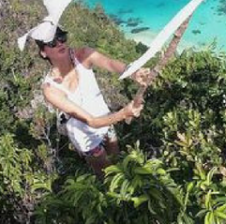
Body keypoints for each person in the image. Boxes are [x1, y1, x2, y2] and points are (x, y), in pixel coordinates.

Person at [33, 22, 151, 178]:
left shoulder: (83, 55)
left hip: (106, 119)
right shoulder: (51, 89)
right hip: (85, 135)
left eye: (61, 37)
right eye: (52, 42)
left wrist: (133, 72)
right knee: (107, 175)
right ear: (43, 52)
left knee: (117, 160)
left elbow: (109, 63)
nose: (59, 43)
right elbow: (90, 121)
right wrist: (123, 113)